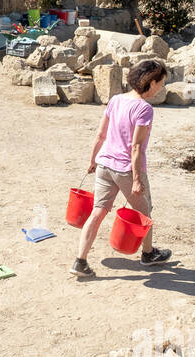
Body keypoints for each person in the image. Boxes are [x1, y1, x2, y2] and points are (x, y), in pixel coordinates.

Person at [70, 60, 173, 277]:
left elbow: (100, 135)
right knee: (144, 212)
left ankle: (80, 261)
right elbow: (136, 147)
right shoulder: (144, 108)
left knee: (97, 212)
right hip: (126, 169)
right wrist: (136, 179)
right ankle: (148, 254)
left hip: (104, 163)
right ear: (151, 82)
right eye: (161, 83)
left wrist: (92, 160)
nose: (161, 87)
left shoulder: (116, 100)